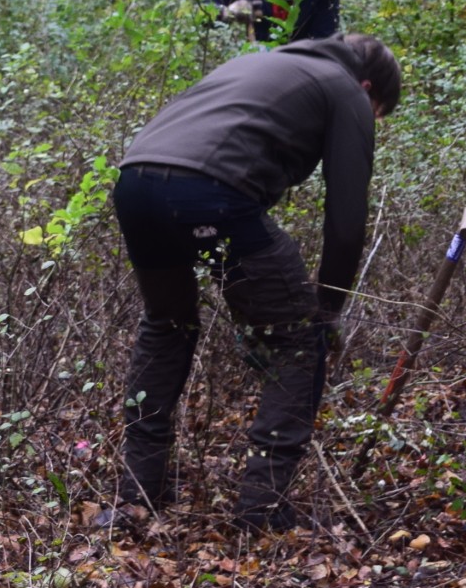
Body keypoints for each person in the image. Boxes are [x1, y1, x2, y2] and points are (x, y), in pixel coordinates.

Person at [106, 33, 400, 530]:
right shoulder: (345, 88)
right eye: (377, 112)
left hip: (135, 184)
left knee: (167, 324)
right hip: (209, 192)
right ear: (368, 86)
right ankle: (260, 510)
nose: (370, 121)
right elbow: (346, 220)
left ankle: (138, 494)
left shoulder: (262, 63)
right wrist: (326, 311)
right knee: (297, 341)